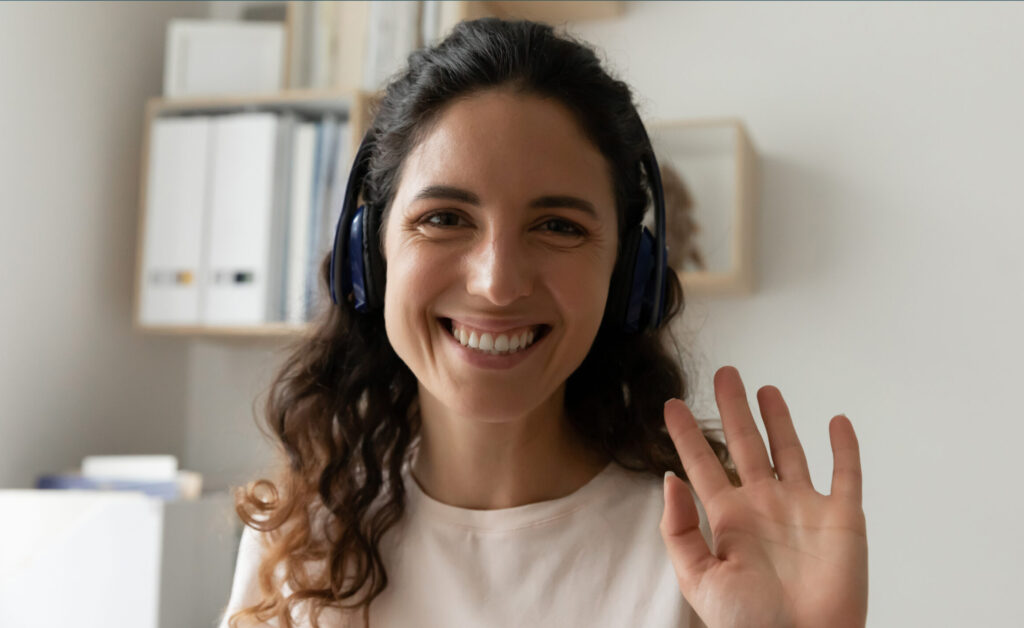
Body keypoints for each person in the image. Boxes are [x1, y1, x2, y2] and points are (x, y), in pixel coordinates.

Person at [219, 17, 867, 628]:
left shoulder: (714, 547)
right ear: (372, 253)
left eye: (558, 226)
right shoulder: (300, 541)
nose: (497, 283)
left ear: (626, 275)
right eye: (444, 218)